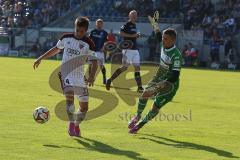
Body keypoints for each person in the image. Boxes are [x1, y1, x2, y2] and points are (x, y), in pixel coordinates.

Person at [33, 17, 98, 137]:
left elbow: (94, 62)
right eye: (77, 30)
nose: (79, 33)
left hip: (79, 77)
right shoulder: (66, 38)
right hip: (65, 74)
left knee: (84, 108)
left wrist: (92, 76)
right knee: (70, 101)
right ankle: (72, 125)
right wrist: (41, 58)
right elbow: (56, 49)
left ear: (86, 30)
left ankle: (76, 125)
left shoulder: (89, 44)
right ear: (75, 27)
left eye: (82, 31)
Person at [128, 12, 182, 134]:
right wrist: (154, 24)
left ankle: (139, 125)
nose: (163, 40)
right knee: (145, 94)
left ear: (173, 41)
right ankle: (137, 116)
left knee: (155, 107)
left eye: (165, 38)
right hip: (159, 76)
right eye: (163, 37)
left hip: (170, 85)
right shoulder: (164, 44)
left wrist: (163, 84)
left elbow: (175, 75)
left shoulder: (176, 56)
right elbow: (158, 35)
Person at [106, 10, 144, 93]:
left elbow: (134, 35)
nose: (134, 16)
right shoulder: (127, 24)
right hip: (128, 49)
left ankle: (140, 87)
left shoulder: (135, 25)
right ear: (129, 16)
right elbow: (121, 33)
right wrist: (132, 35)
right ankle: (110, 80)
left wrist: (137, 36)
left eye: (136, 15)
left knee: (137, 68)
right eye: (133, 15)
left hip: (135, 49)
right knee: (124, 67)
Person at [89, 19, 108, 84]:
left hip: (100, 52)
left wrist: (103, 47)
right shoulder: (92, 32)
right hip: (92, 51)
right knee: (91, 65)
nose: (99, 24)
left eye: (100, 23)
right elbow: (89, 40)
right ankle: (90, 78)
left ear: (102, 24)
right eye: (98, 23)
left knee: (101, 65)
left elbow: (106, 42)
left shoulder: (105, 33)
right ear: (96, 24)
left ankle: (104, 78)